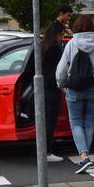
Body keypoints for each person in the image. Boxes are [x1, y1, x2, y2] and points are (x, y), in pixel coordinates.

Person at [56, 15, 94, 174]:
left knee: (75, 122)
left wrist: (60, 84)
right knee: (89, 123)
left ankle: (84, 157)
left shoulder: (72, 44)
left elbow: (61, 69)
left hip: (74, 88)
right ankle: (85, 157)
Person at [38, 20, 67, 163]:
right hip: (53, 87)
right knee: (50, 121)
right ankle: (47, 152)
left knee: (45, 121)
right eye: (61, 35)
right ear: (55, 34)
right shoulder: (55, 48)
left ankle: (44, 150)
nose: (62, 38)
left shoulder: (43, 45)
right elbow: (61, 69)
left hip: (43, 87)